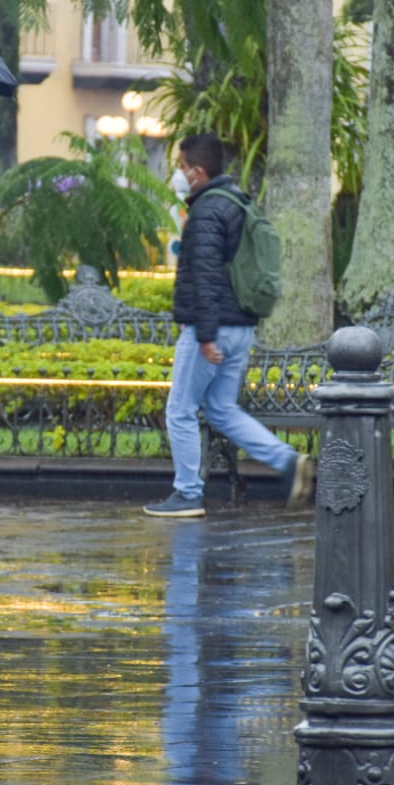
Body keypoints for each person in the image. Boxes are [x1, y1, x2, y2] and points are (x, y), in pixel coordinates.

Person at [143, 133, 314, 518]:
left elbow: (204, 277)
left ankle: (188, 493)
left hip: (212, 330)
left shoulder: (207, 211)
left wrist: (205, 336)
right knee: (221, 409)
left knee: (180, 410)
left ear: (198, 171)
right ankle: (287, 461)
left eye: (182, 166)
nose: (179, 174)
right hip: (240, 328)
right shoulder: (238, 201)